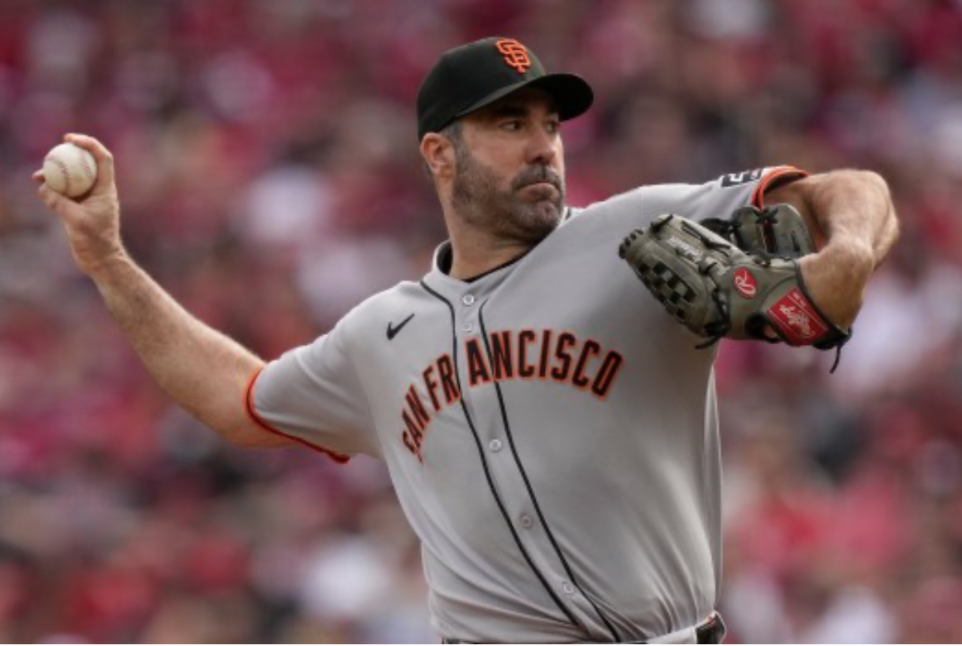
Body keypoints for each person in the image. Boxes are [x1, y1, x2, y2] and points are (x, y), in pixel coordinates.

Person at [35, 36, 899, 644]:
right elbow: (237, 400)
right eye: (511, 125)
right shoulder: (381, 334)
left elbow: (849, 189)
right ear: (440, 155)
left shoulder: (635, 233)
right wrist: (108, 259)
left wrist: (847, 255)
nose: (543, 147)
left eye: (550, 125)